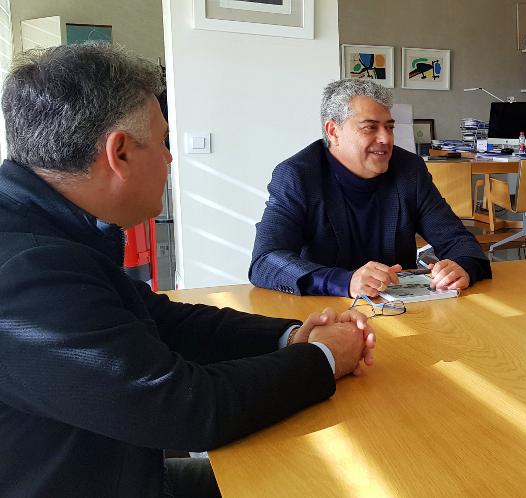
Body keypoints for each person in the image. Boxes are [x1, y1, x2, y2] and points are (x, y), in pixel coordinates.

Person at [0, 43, 375, 497]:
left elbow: (162, 321)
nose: (171, 158)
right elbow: (185, 411)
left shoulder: (49, 230)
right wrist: (325, 358)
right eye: (162, 142)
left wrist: (291, 337)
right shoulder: (29, 272)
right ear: (118, 153)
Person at [248, 79, 491, 298]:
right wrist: (345, 281)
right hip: (325, 312)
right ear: (333, 132)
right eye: (370, 128)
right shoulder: (297, 176)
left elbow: (457, 240)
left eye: (389, 127)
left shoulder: (409, 170)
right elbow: (265, 261)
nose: (386, 139)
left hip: (402, 312)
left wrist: (463, 267)